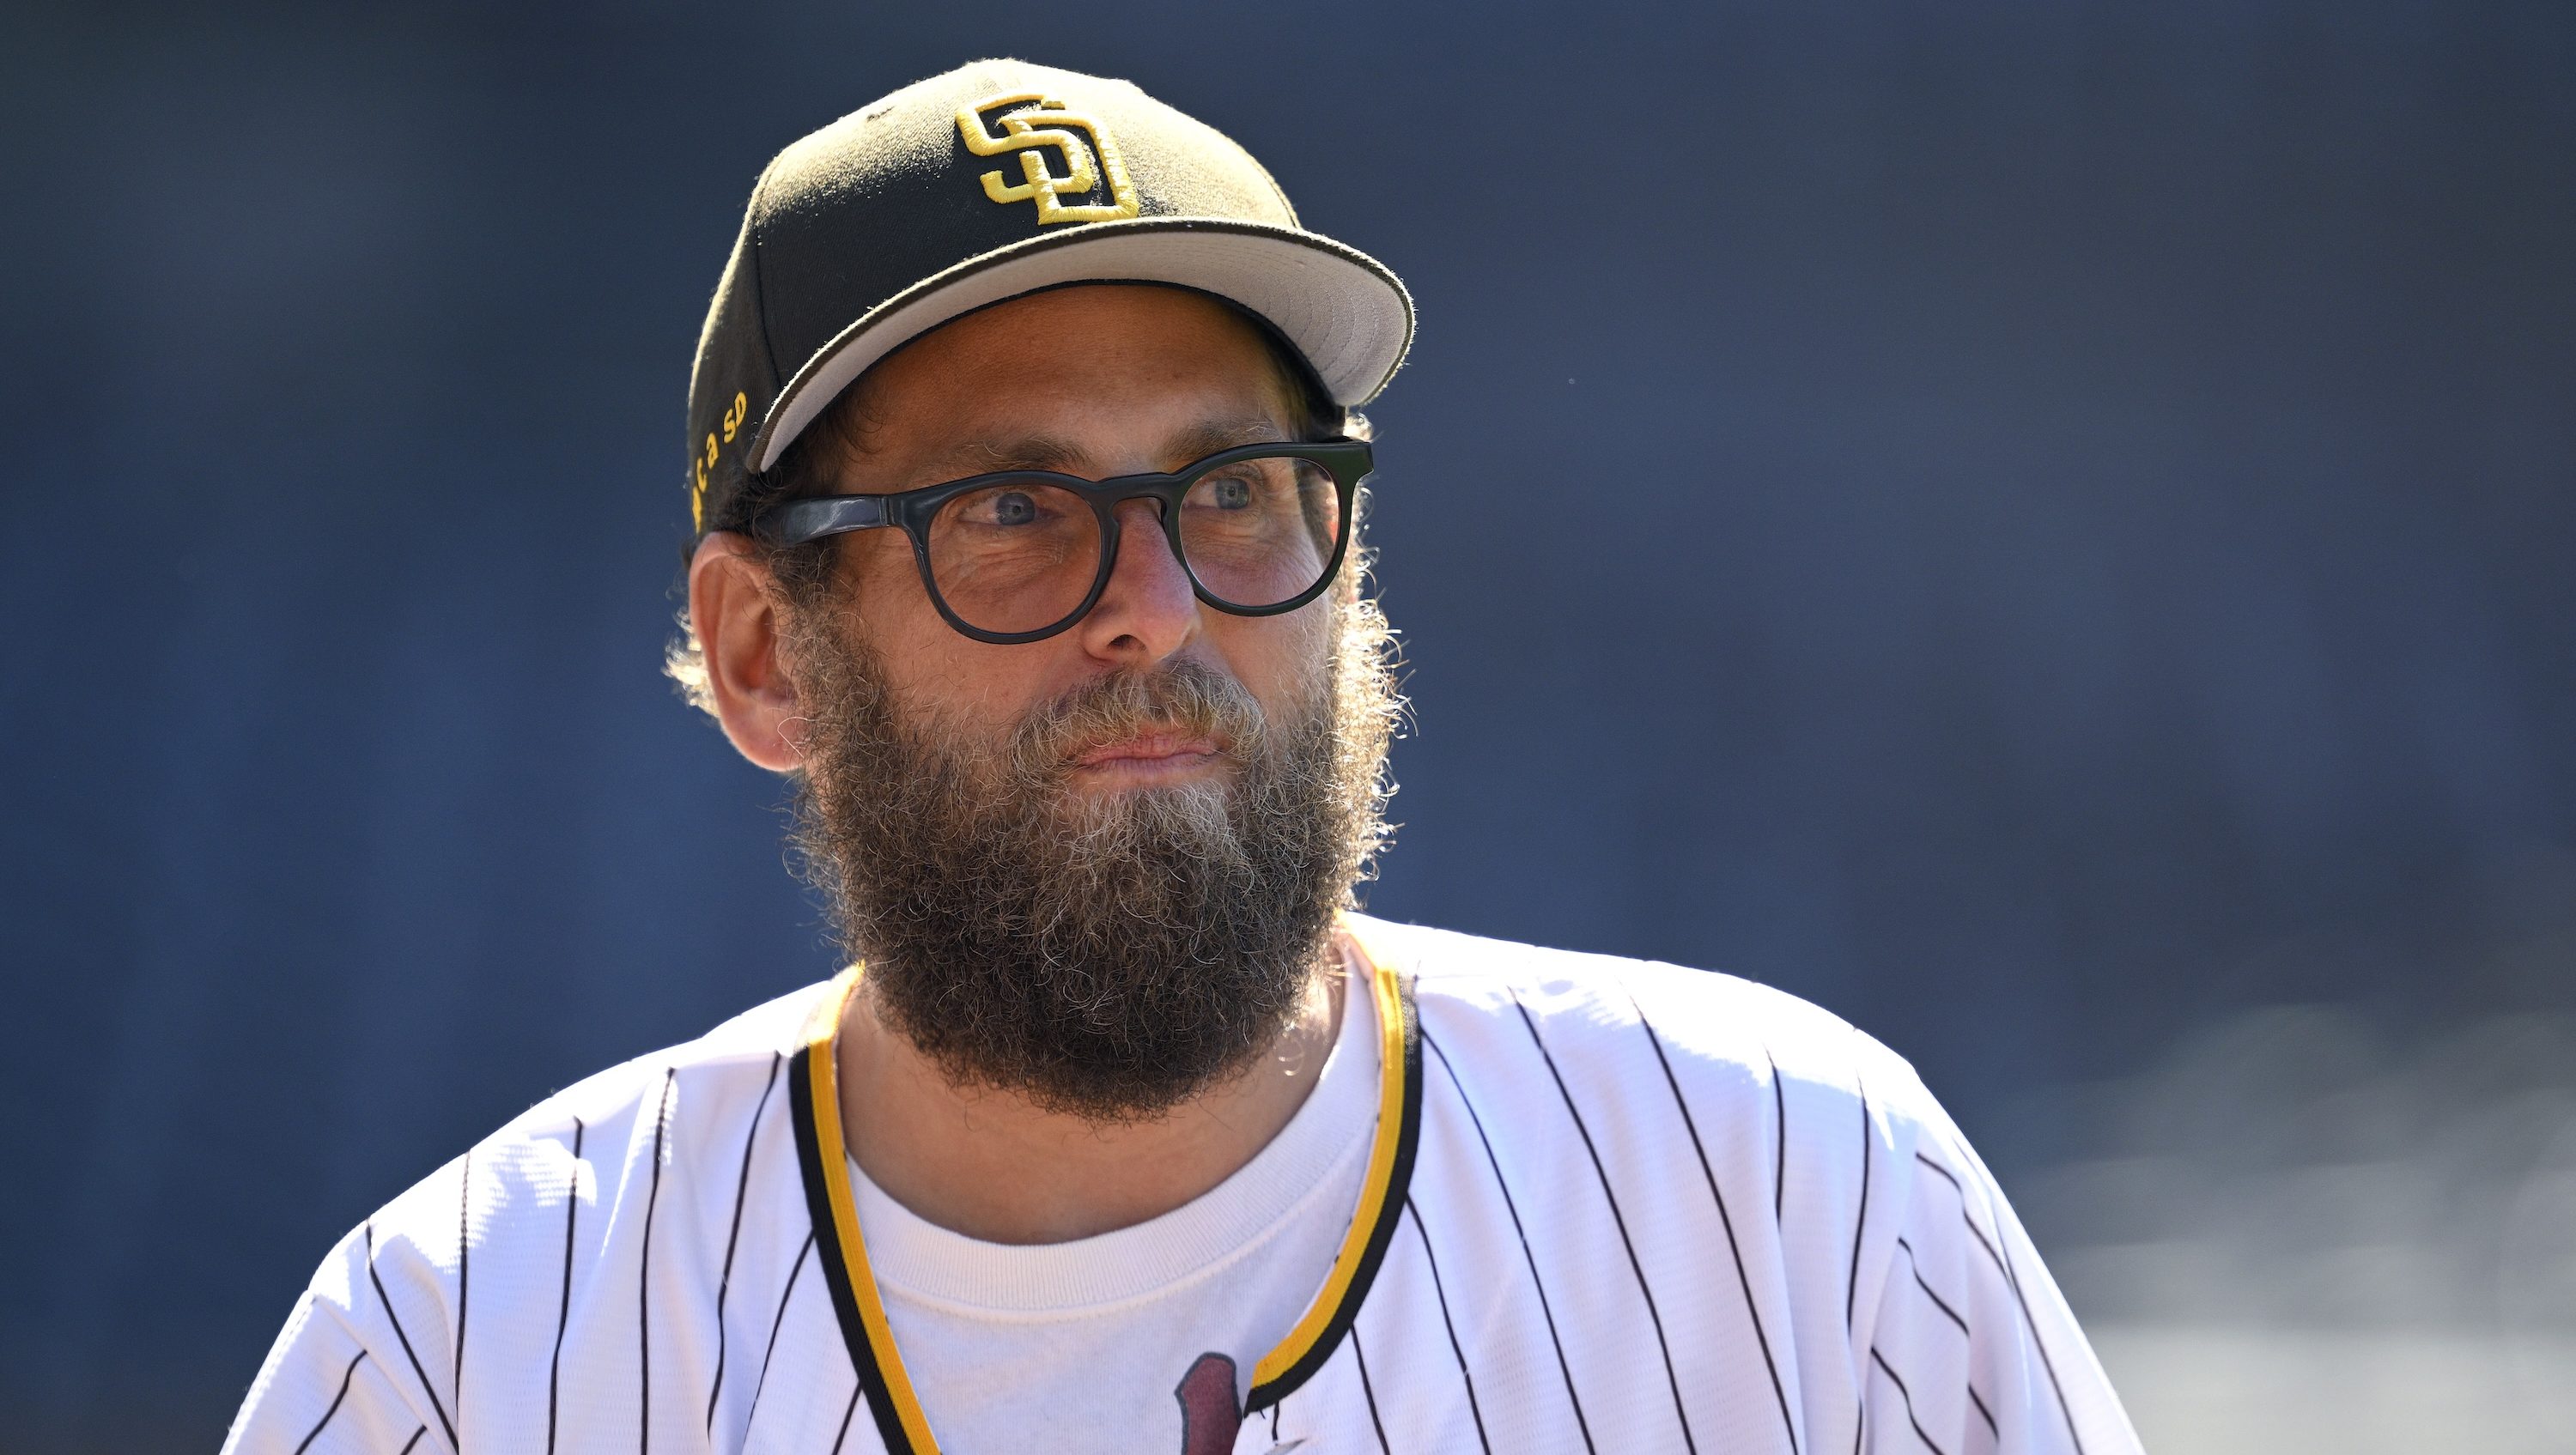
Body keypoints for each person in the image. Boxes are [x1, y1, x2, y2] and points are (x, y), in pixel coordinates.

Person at [222, 58, 2141, 1455]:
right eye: (1008, 510)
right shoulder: (466, 1354)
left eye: (1235, 488)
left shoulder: (1799, 1200)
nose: (1155, 601)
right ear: (760, 652)